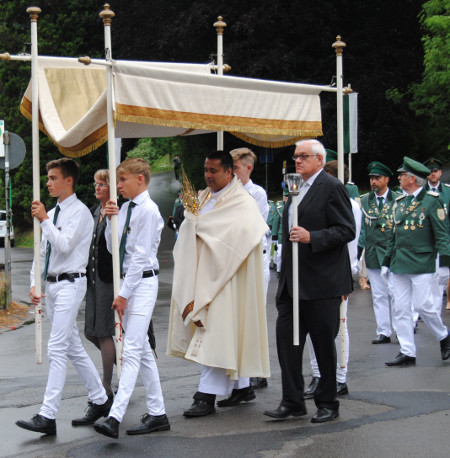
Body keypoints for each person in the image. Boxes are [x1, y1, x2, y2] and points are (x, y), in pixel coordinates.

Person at [167, 150, 270, 418]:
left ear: (230, 172)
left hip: (227, 276)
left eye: (214, 171)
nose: (208, 176)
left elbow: (242, 235)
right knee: (223, 332)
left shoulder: (242, 201)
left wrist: (199, 227)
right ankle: (242, 386)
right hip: (204, 273)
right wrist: (191, 222)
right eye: (205, 170)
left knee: (213, 333)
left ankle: (205, 396)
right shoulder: (202, 197)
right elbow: (195, 227)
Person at [16, 158, 111, 436]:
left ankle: (47, 414)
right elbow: (42, 251)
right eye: (48, 178)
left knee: (56, 347)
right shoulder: (54, 212)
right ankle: (101, 398)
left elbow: (65, 246)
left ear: (68, 180)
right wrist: (35, 283)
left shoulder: (79, 212)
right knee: (71, 347)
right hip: (53, 286)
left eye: (53, 177)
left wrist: (45, 219)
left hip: (71, 283)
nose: (48, 182)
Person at [264, 139, 355, 424]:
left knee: (323, 346)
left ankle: (328, 402)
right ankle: (292, 401)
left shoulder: (331, 187)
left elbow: (346, 230)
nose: (298, 161)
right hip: (292, 284)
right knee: (287, 344)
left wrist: (312, 237)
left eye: (303, 156)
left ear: (319, 159)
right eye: (295, 157)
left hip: (322, 283)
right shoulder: (295, 187)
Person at [93, 158, 169, 439]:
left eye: (122, 180)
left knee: (133, 347)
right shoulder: (125, 208)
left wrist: (123, 294)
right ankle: (158, 412)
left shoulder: (148, 210)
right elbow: (114, 250)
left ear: (140, 178)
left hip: (143, 283)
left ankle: (114, 417)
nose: (118, 186)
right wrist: (112, 219)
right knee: (143, 350)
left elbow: (139, 256)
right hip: (128, 280)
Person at [383, 157, 450, 367]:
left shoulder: (432, 200)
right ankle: (407, 352)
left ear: (412, 178)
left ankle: (444, 336)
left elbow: (442, 235)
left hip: (422, 262)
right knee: (401, 309)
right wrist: (386, 261)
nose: (399, 178)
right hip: (400, 263)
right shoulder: (400, 202)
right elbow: (393, 234)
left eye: (402, 175)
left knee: (424, 305)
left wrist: (445, 263)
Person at [304, 160, 361, 399]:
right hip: (317, 273)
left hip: (338, 273)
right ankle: (318, 375)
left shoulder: (350, 205)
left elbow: (349, 243)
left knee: (339, 328)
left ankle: (339, 377)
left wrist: (346, 276)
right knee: (314, 328)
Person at [230, 147, 270, 390]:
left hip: (254, 258)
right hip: (234, 260)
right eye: (230, 168)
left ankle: (258, 371)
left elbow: (253, 226)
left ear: (248, 168)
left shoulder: (256, 193)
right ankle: (240, 370)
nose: (232, 173)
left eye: (235, 168)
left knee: (255, 317)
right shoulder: (227, 192)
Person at [80, 170, 116, 404]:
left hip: (108, 279)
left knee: (103, 331)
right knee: (90, 331)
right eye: (96, 184)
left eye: (102, 184)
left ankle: (106, 384)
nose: (97, 188)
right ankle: (125, 364)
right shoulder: (94, 212)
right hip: (91, 279)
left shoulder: (116, 212)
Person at [359, 162, 401, 344]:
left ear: (387, 180)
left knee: (397, 294)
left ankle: (401, 329)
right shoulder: (364, 201)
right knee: (379, 295)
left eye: (377, 178)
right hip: (374, 254)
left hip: (393, 255)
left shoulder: (398, 199)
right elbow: (360, 230)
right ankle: (384, 330)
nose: (373, 182)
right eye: (371, 179)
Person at [423, 157, 450, 311]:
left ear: (440, 173)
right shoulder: (421, 192)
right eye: (430, 172)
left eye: (435, 171)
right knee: (423, 280)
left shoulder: (447, 192)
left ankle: (435, 311)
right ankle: (423, 309)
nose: (432, 174)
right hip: (424, 241)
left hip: (442, 241)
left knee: (439, 280)